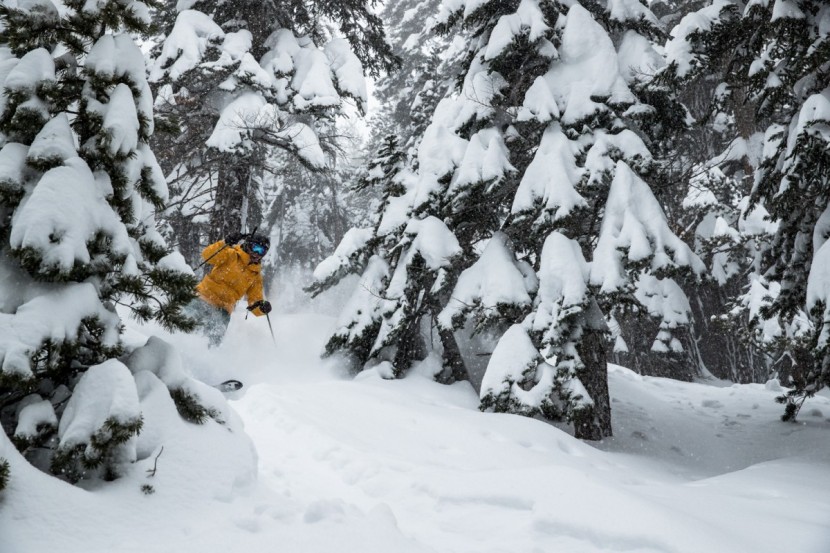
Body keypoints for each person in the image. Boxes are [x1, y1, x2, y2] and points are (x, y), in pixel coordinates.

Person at [189, 232, 273, 346]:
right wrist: (225, 242)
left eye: (262, 251)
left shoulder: (255, 275)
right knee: (182, 327)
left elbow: (254, 302)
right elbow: (206, 255)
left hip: (223, 311)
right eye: (256, 248)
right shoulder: (231, 254)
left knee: (210, 345)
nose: (257, 253)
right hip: (202, 298)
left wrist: (262, 308)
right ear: (248, 244)